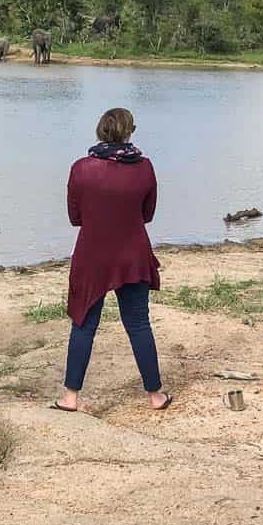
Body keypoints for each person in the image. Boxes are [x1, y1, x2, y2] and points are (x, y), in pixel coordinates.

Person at [53, 108, 170, 413]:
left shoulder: (81, 168)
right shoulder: (144, 167)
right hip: (133, 254)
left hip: (92, 255)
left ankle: (70, 397)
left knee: (83, 324)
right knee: (139, 324)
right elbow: (148, 214)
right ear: (129, 132)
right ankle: (155, 395)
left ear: (100, 130)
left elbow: (74, 217)